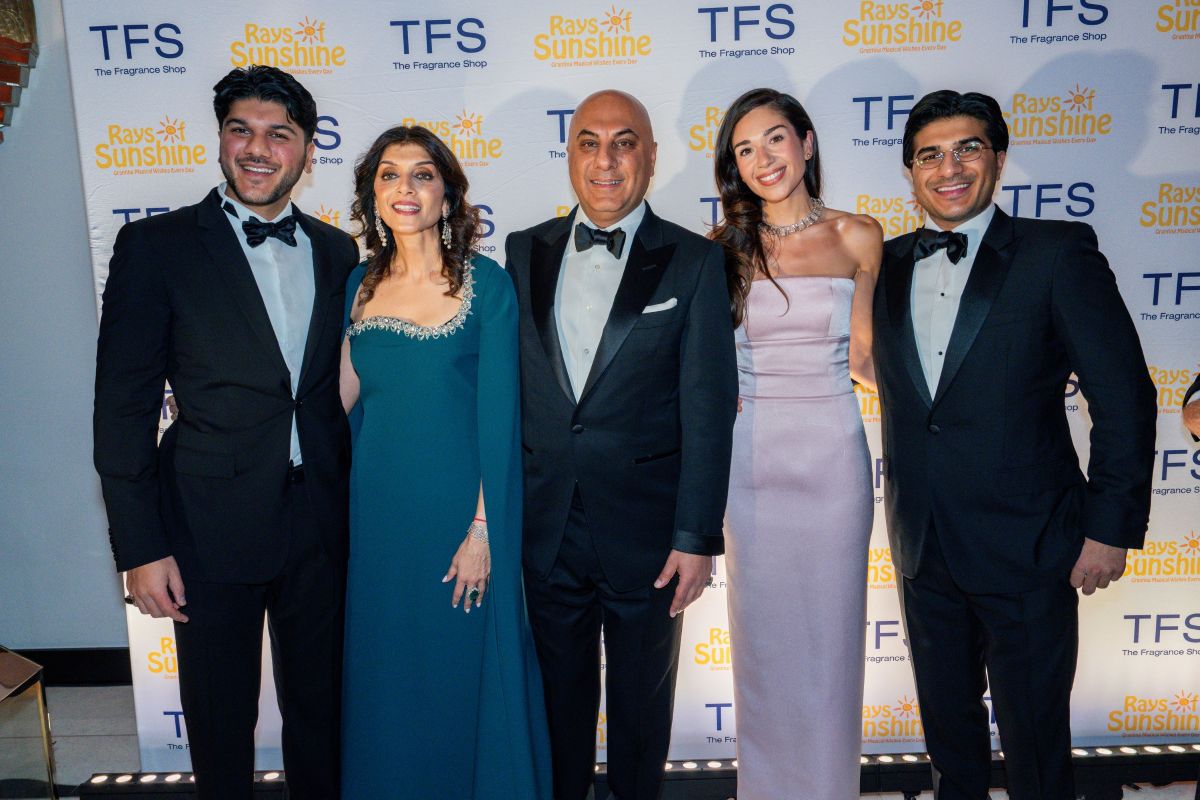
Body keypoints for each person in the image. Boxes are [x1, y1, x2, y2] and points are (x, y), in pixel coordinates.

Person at [872, 89, 1157, 799]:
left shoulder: (1056, 254)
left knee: (1035, 747)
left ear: (998, 158)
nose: (950, 168)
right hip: (923, 545)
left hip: (1032, 546)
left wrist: (1110, 527)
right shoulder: (883, 263)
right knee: (950, 745)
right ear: (910, 172)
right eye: (930, 155)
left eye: (968, 148)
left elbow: (1123, 398)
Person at [93, 66, 359, 799]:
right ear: (220, 141)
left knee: (324, 716)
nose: (257, 149)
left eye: (280, 135)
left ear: (307, 152)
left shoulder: (340, 254)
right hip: (207, 527)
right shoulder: (156, 248)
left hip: (323, 525)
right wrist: (141, 549)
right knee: (218, 720)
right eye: (241, 130)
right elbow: (122, 409)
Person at [504, 90, 738, 800]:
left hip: (649, 536)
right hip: (544, 528)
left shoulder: (694, 261)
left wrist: (696, 535)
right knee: (556, 714)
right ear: (570, 153)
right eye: (588, 142)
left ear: (652, 155)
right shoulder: (521, 251)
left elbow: (708, 405)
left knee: (641, 717)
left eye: (624, 142)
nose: (605, 160)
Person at [338, 125, 551, 798]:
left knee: (462, 675)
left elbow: (502, 414)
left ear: (448, 192)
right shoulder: (357, 284)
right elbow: (337, 402)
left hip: (461, 523)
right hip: (378, 526)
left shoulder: (485, 284)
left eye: (422, 174)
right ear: (372, 195)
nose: (405, 188)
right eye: (389, 175)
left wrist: (483, 531)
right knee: (389, 679)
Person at [710, 87, 882, 798]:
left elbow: (870, 359)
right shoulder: (721, 248)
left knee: (832, 643)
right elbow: (703, 365)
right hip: (750, 457)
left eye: (774, 139)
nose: (762, 159)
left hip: (833, 456)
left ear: (806, 142)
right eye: (744, 149)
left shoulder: (859, 235)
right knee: (764, 648)